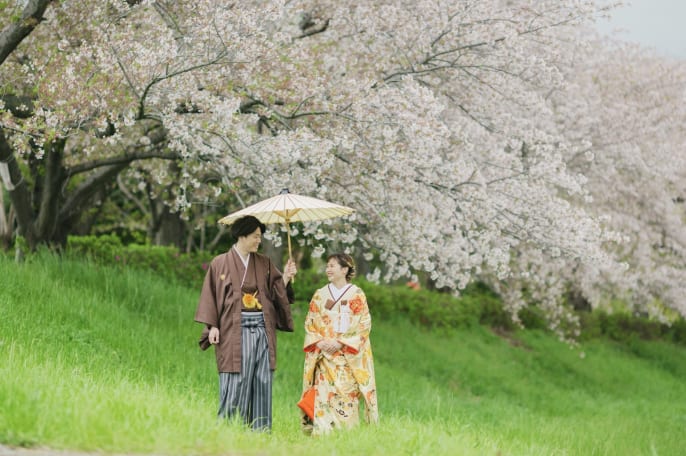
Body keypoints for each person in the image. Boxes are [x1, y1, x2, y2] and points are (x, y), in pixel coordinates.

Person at [195, 215, 297, 431]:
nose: (258, 241)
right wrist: (212, 326)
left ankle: (260, 430)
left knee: (262, 379)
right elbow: (211, 296)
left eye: (260, 237)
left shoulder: (264, 263)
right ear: (242, 235)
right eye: (255, 236)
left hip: (262, 328)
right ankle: (228, 428)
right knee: (236, 379)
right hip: (234, 330)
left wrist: (286, 277)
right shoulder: (220, 263)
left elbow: (274, 293)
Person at [299, 253, 378, 435]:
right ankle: (323, 431)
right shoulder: (320, 295)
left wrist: (341, 342)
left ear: (344, 269)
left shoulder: (356, 294)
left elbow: (363, 324)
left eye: (332, 265)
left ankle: (346, 432)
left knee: (346, 394)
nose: (328, 269)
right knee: (323, 393)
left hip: (345, 355)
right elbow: (310, 322)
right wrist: (321, 342)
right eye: (327, 265)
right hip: (324, 354)